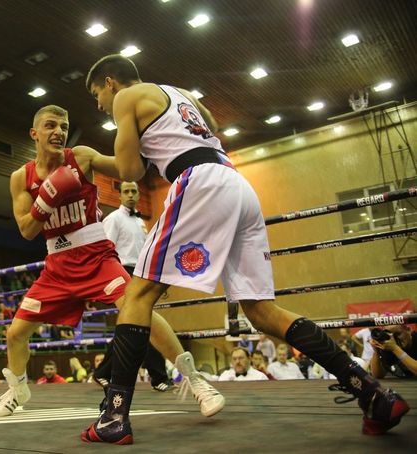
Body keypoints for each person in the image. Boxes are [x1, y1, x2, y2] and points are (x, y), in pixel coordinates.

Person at [81, 54, 409, 444]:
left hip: (198, 182)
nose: (99, 103)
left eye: (96, 93)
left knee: (136, 296)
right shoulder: (179, 93)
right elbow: (212, 123)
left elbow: (132, 170)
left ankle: (114, 418)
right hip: (236, 184)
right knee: (261, 311)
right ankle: (372, 393)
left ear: (111, 81)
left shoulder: (126, 97)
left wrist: (93, 158)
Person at [0, 104, 215, 418]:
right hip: (57, 266)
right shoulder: (20, 178)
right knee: (15, 334)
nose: (58, 132)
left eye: (63, 127)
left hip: (96, 255)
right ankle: (17, 389)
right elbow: (27, 229)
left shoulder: (80, 157)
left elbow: (129, 169)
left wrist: (140, 134)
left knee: (137, 310)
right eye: (51, 126)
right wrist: (49, 195)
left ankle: (195, 380)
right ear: (34, 133)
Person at [97, 180, 174, 392]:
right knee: (143, 324)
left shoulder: (141, 222)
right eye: (126, 191)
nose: (130, 195)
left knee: (131, 327)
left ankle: (103, 371)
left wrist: (156, 278)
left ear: (139, 195)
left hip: (141, 273)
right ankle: (159, 377)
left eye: (133, 191)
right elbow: (105, 251)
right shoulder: (113, 219)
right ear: (120, 195)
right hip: (122, 272)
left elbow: (146, 254)